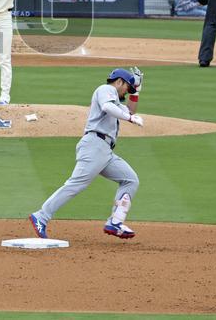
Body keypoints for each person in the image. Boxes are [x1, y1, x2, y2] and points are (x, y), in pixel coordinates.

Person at [29, 67, 145, 241]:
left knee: (130, 179)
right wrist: (128, 119)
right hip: (94, 145)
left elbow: (129, 112)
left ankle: (116, 221)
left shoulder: (115, 101)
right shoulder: (106, 89)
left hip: (105, 151)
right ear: (119, 81)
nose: (126, 92)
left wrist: (136, 93)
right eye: (127, 88)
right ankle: (41, 216)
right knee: (76, 184)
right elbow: (108, 108)